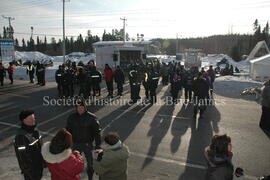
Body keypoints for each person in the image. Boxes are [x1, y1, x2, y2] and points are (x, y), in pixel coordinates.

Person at [66, 99, 101, 180]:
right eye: (78, 107)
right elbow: (67, 130)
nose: (80, 109)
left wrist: (98, 145)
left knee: (90, 164)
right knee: (74, 164)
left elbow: (97, 132)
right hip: (75, 144)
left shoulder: (92, 118)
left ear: (85, 108)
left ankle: (90, 178)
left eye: (82, 107)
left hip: (88, 144)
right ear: (76, 108)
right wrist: (66, 143)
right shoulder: (71, 117)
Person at [14, 110, 44, 180]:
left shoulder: (35, 130)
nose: (33, 120)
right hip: (31, 172)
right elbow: (23, 158)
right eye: (31, 118)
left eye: (34, 118)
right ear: (24, 120)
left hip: (38, 167)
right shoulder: (21, 136)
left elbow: (40, 146)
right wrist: (30, 173)